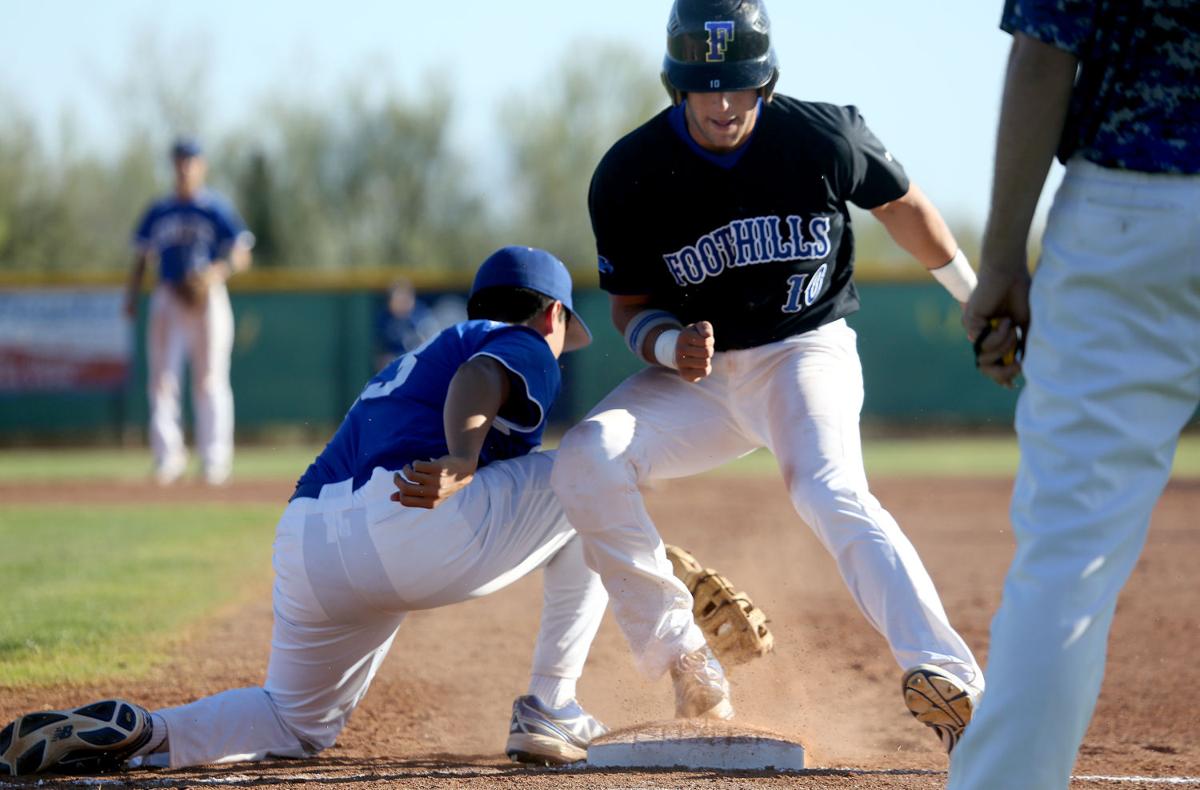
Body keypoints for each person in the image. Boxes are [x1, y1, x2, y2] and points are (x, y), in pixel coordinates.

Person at [550, 0, 985, 750]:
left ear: (767, 82)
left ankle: (952, 681)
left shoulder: (822, 136)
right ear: (677, 86)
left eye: (739, 85)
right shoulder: (630, 172)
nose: (722, 103)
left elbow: (903, 205)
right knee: (585, 457)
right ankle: (689, 661)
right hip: (701, 381)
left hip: (803, 354)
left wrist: (975, 296)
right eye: (705, 86)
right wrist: (665, 349)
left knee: (826, 488)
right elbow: (630, 307)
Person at [2, 247, 611, 776]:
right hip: (406, 517)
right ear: (553, 313)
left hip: (307, 538)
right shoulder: (518, 339)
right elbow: (482, 378)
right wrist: (463, 455)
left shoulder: (423, 356)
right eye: (561, 331)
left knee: (293, 722)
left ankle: (148, 731)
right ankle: (551, 705)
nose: (558, 348)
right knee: (593, 474)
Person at [949, 2, 1199, 787]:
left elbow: (1044, 50)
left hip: (1135, 210)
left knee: (1070, 559)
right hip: (1132, 221)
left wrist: (999, 263)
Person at [124, 137, 255, 487]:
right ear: (173, 165)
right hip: (168, 294)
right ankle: (168, 458)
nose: (184, 166)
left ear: (201, 165)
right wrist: (132, 295)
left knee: (210, 378)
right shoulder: (159, 209)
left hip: (207, 296)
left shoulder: (215, 208)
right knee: (162, 378)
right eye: (180, 160)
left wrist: (214, 273)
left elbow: (242, 253)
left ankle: (215, 461)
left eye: (190, 160)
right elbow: (141, 255)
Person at [375, 277, 439, 371]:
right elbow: (380, 352)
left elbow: (431, 349)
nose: (402, 304)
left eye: (405, 299)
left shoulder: (421, 316)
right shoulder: (384, 319)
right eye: (398, 299)